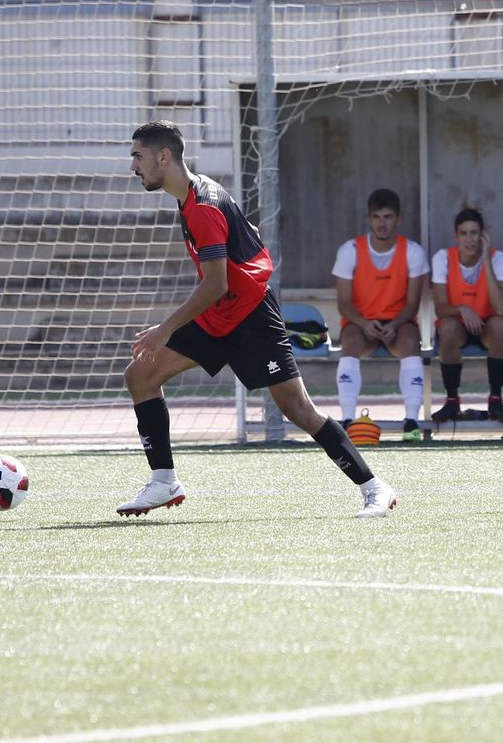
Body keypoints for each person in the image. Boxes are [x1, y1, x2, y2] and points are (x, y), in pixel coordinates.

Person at [122, 121, 395, 519]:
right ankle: (164, 481)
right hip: (219, 315)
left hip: (250, 316)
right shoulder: (192, 196)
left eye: (138, 156)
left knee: (298, 409)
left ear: (163, 156)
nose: (133, 166)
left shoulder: (202, 206)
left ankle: (375, 488)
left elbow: (216, 284)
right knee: (140, 376)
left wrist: (166, 329)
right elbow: (230, 263)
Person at [332, 188, 429, 441]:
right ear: (369, 219)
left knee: (410, 341)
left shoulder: (413, 252)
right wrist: (364, 323)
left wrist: (395, 324)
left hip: (399, 323)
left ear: (398, 219)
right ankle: (347, 420)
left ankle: (411, 422)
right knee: (350, 341)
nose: (382, 223)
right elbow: (343, 304)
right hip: (361, 324)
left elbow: (412, 303)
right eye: (377, 217)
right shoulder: (349, 251)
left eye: (388, 217)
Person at [429, 207, 503, 425]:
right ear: (456, 236)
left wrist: (485, 261)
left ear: (483, 235)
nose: (469, 239)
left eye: (474, 233)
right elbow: (440, 308)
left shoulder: (497, 258)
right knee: (446, 327)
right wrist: (462, 309)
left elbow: (501, 307)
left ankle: (496, 400)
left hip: (486, 325)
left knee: (499, 325)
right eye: (464, 233)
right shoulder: (443, 258)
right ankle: (451, 401)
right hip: (458, 326)